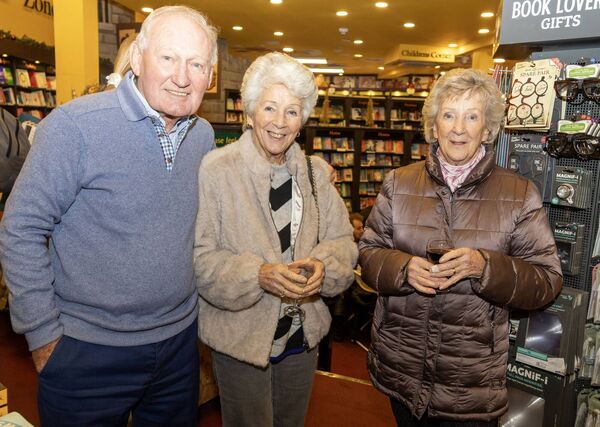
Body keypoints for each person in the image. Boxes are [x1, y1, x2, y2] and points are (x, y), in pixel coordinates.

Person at [0, 6, 218, 426]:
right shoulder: (75, 127)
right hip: (86, 351)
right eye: (168, 58)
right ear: (138, 58)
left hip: (177, 348)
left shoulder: (202, 135)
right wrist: (42, 335)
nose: (183, 76)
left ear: (209, 75)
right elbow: (20, 227)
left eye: (197, 64)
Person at [359, 68, 563, 426]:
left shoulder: (518, 194)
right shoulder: (399, 182)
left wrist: (485, 267)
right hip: (401, 370)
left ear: (486, 129)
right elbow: (369, 254)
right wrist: (403, 269)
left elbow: (545, 281)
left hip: (470, 385)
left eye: (471, 117)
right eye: (449, 115)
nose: (458, 128)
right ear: (433, 125)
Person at [193, 51, 357, 427]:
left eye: (292, 111)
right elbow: (201, 259)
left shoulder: (316, 174)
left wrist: (324, 265)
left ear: (303, 121)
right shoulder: (217, 171)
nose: (280, 123)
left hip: (302, 337)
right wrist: (258, 275)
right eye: (270, 108)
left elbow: (344, 243)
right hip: (241, 337)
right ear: (249, 113)